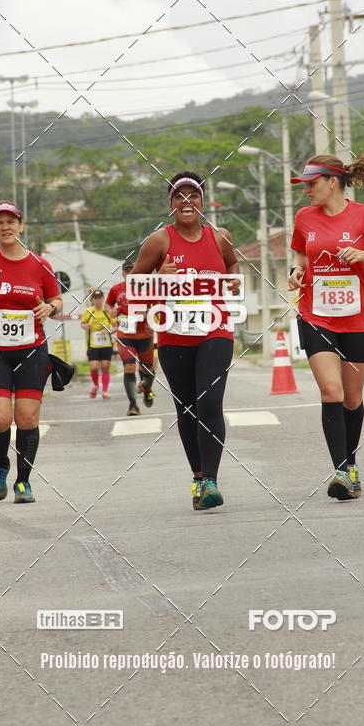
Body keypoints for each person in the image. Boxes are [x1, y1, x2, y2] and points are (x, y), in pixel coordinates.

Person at [288, 153, 364, 501]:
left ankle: (350, 466)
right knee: (330, 392)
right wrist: (296, 271)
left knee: (351, 399)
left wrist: (363, 255)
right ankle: (339, 471)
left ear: (331, 182)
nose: (307, 190)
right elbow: (300, 255)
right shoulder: (304, 218)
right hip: (314, 315)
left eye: (311, 184)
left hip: (356, 318)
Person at [130, 171, 240, 510]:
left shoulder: (220, 238)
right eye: (180, 196)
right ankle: (197, 476)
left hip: (215, 329)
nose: (187, 201)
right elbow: (134, 286)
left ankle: (210, 479)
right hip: (174, 334)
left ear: (203, 202)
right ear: (171, 204)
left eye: (193, 195)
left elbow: (233, 265)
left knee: (209, 401)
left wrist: (233, 282)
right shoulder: (159, 241)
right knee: (188, 408)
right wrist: (158, 281)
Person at [0, 202, 62, 504]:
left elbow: (57, 300)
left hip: (31, 349)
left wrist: (50, 307)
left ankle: (24, 482)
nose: (5, 227)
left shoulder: (40, 264)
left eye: (11, 222)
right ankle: (0, 465)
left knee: (27, 418)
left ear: (21, 226)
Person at [106, 260, 156, 416]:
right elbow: (108, 305)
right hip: (125, 334)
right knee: (129, 367)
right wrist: (112, 313)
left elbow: (159, 306)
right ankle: (133, 405)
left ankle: (147, 388)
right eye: (127, 271)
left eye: (133, 270)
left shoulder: (148, 288)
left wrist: (147, 314)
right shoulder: (116, 289)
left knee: (148, 369)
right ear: (123, 274)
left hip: (144, 334)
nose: (130, 274)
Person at [80, 289, 113, 399]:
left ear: (103, 299)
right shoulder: (89, 311)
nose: (98, 301)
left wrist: (108, 331)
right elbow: (82, 323)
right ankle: (95, 385)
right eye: (96, 298)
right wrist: (85, 326)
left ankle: (105, 391)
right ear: (92, 300)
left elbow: (117, 326)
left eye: (100, 298)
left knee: (105, 367)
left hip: (106, 344)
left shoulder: (107, 311)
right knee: (94, 367)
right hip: (93, 344)